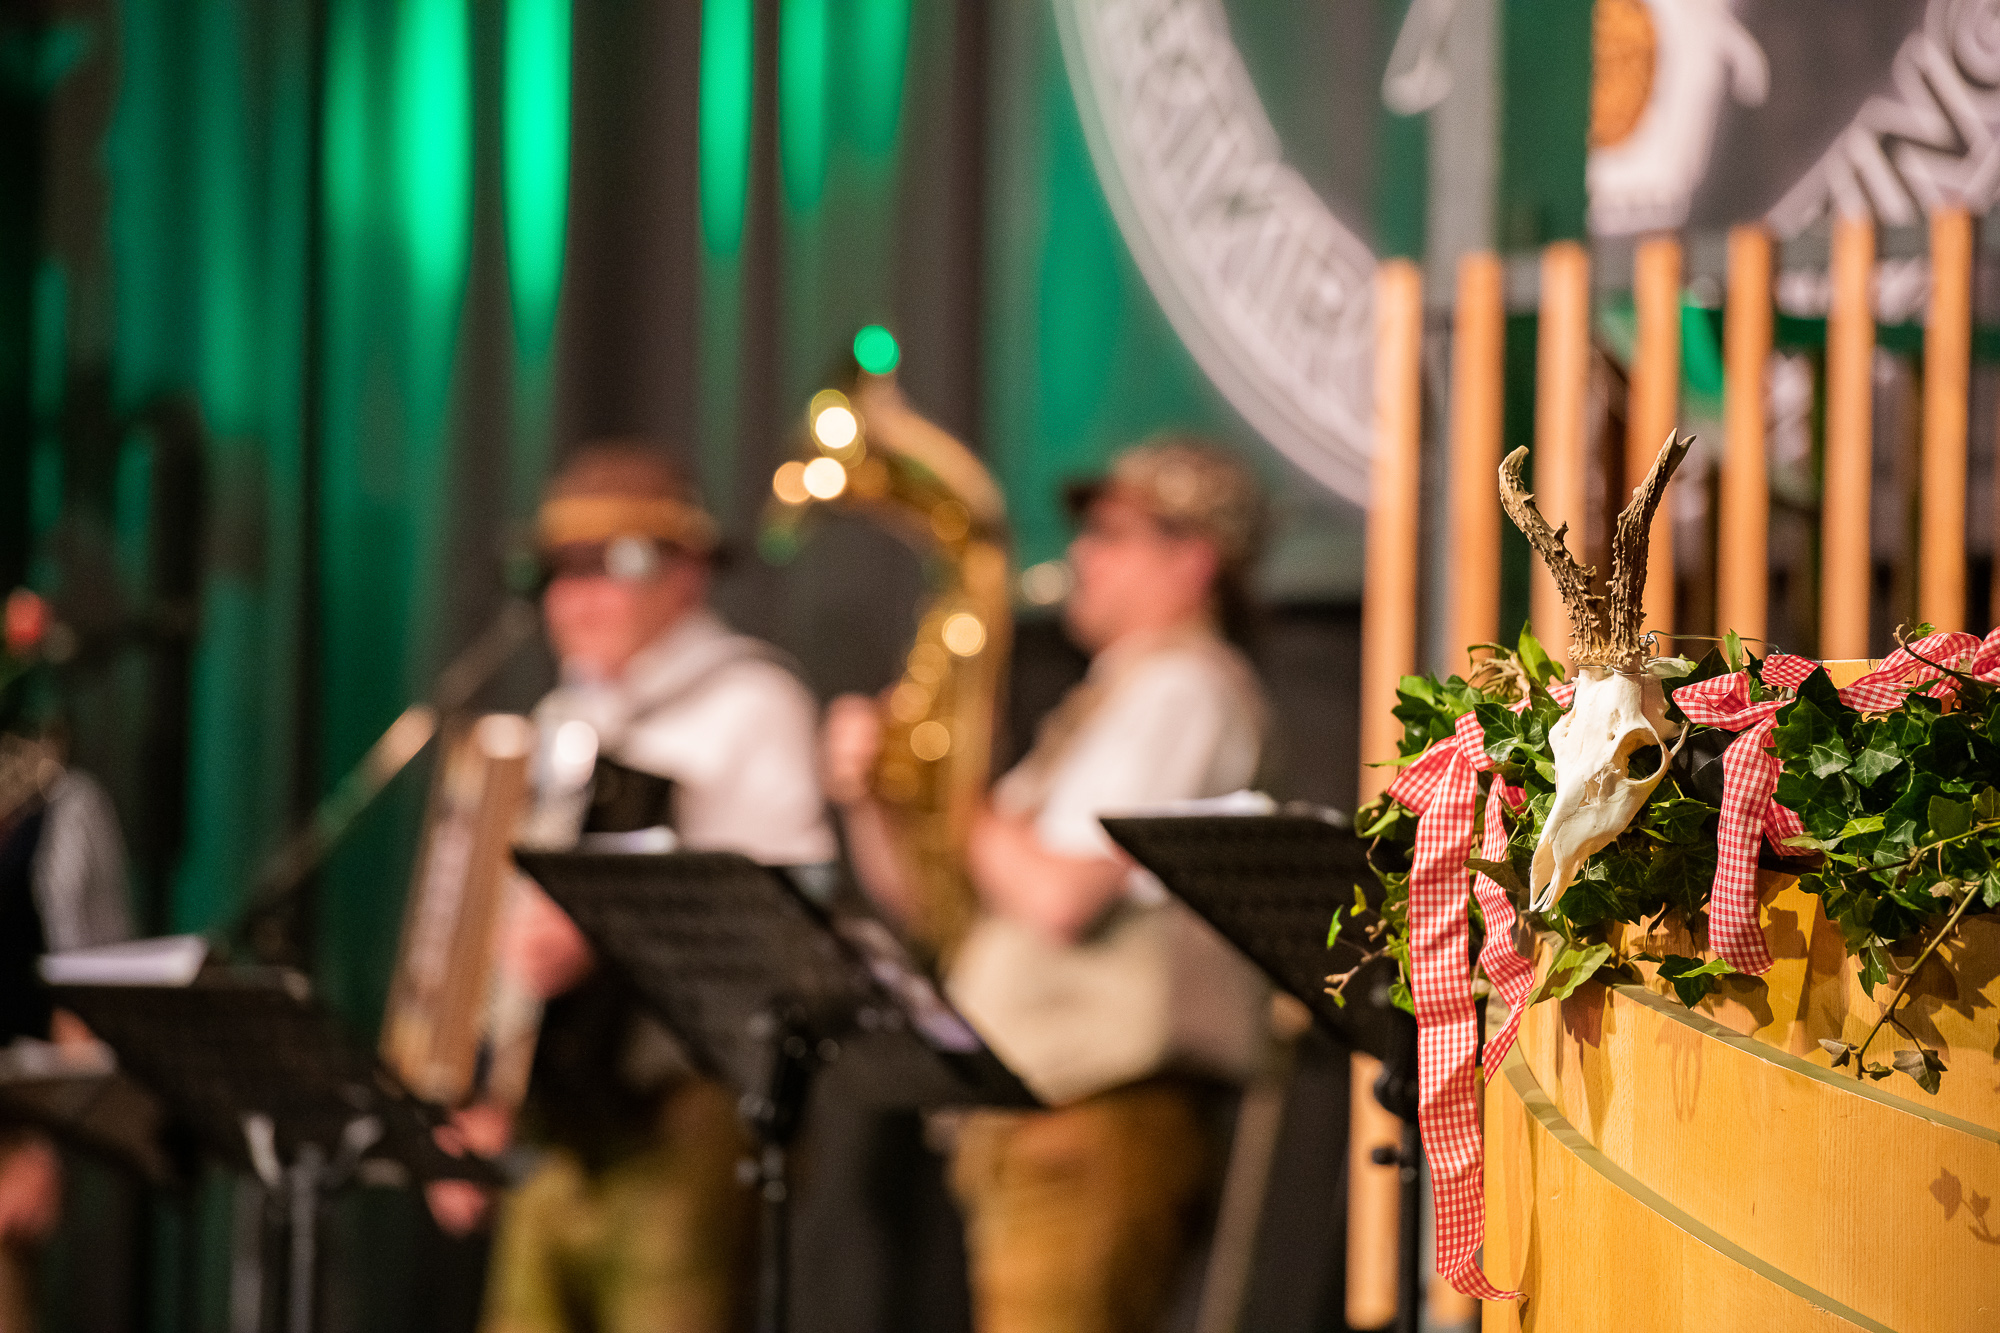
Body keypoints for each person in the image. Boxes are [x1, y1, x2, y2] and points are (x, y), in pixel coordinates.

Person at [824, 437, 1273, 1333]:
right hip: (1034, 1117)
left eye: (1112, 535)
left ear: (1193, 561)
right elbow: (939, 908)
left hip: (1096, 1115)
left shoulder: (1185, 688)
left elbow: (1059, 897)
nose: (1082, 557)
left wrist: (952, 793)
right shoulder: (1111, 698)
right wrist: (876, 798)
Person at [438, 441, 835, 1333]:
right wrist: (483, 1089)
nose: (577, 598)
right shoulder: (558, 720)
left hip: (684, 1112)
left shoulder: (750, 703)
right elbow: (504, 928)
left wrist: (613, 926)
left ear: (688, 572)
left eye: (611, 565)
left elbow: (792, 926)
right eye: (558, 571)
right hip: (558, 1122)